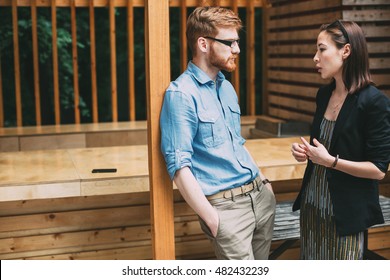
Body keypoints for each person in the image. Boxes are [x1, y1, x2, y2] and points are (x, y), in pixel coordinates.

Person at [160, 6, 276, 260]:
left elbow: (236, 144)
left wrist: (265, 184)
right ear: (203, 43)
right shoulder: (181, 94)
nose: (237, 49)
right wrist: (213, 218)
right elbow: (179, 168)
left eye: (237, 41)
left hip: (260, 199)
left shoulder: (227, 88)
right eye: (230, 42)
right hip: (227, 211)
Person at [291, 20, 390, 259]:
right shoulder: (324, 94)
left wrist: (330, 161)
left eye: (322, 49)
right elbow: (324, 148)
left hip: (345, 215)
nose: (315, 57)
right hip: (313, 206)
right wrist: (307, 153)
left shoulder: (374, 102)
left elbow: (378, 170)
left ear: (345, 51)